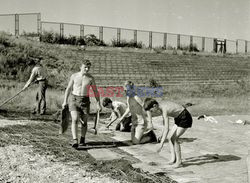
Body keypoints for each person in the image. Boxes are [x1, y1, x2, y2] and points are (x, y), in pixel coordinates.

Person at [62, 59, 102, 148]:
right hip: (74, 99)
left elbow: (95, 91)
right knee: (75, 119)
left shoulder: (90, 78)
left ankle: (82, 139)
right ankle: (75, 140)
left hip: (85, 100)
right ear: (81, 67)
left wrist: (98, 103)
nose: (87, 69)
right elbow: (68, 89)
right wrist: (65, 101)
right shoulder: (74, 76)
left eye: (88, 67)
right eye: (85, 67)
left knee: (84, 122)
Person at [143, 98, 193, 168]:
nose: (152, 112)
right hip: (178, 118)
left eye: (151, 110)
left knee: (174, 138)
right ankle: (173, 159)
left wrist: (161, 144)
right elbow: (164, 126)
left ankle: (179, 162)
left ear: (154, 106)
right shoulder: (160, 106)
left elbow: (166, 128)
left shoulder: (164, 109)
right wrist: (162, 136)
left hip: (185, 118)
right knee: (170, 138)